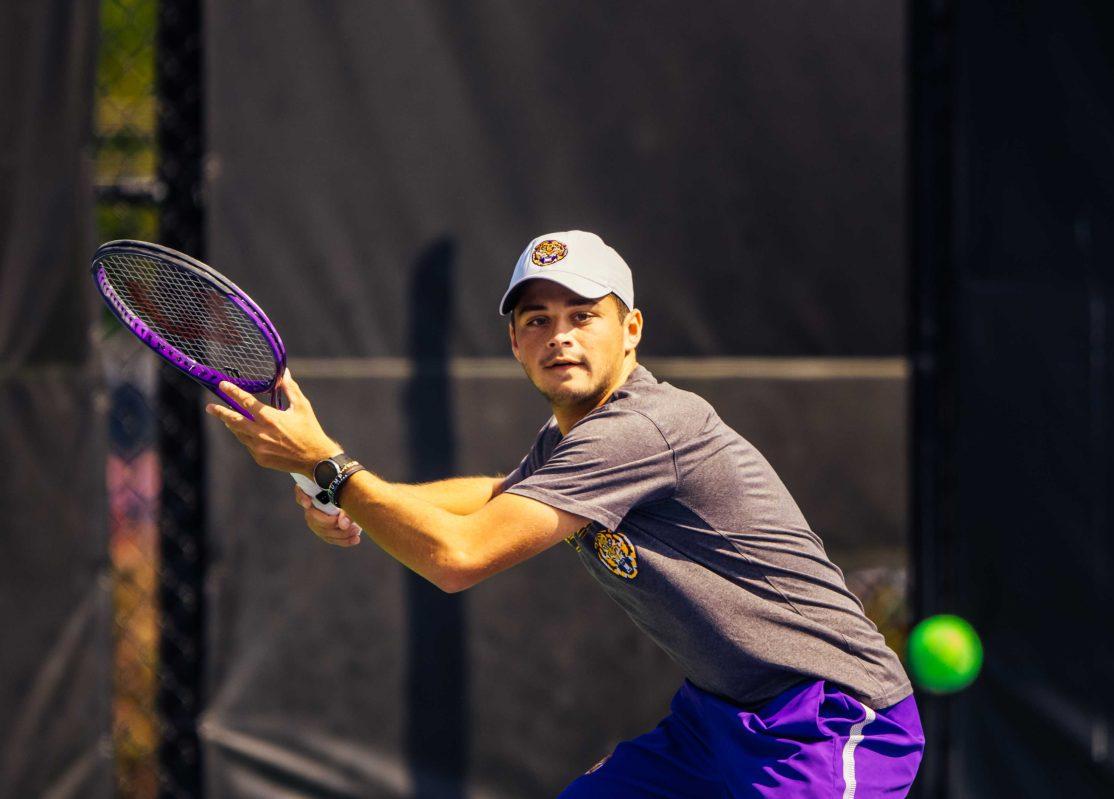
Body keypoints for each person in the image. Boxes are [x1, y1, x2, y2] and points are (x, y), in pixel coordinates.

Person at [207, 230, 924, 797]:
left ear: (631, 329)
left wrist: (331, 466)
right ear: (516, 342)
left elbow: (457, 556)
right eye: (538, 319)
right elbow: (495, 495)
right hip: (716, 721)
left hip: (827, 718)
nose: (561, 335)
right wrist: (330, 479)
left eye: (585, 315)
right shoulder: (569, 439)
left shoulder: (642, 428)